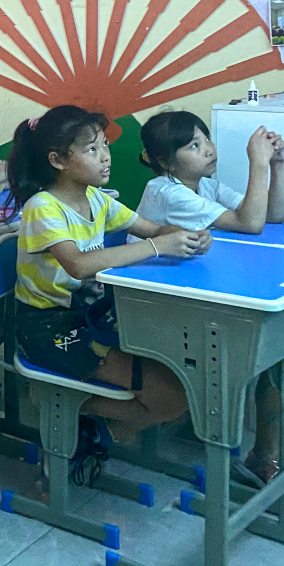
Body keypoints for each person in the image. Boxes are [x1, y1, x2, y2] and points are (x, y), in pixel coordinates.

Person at [8, 105, 202, 444]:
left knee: (184, 386)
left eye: (105, 145)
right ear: (58, 160)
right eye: (91, 149)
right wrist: (158, 246)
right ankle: (61, 405)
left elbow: (154, 229)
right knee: (172, 397)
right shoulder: (43, 206)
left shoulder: (96, 199)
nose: (105, 157)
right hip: (48, 327)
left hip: (93, 317)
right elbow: (78, 265)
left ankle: (97, 430)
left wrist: (189, 235)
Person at [137, 111, 284, 485]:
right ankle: (249, 451)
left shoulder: (204, 186)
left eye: (206, 139)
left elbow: (271, 216)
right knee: (257, 348)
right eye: (193, 145)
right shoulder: (166, 192)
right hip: (151, 309)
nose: (208, 149)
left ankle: (264, 454)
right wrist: (257, 163)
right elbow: (250, 224)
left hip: (191, 294)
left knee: (270, 347)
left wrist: (277, 167)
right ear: (166, 161)